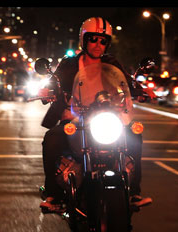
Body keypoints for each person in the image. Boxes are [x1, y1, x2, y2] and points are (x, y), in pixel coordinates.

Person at [38, 17, 156, 213]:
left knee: (134, 135)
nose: (98, 44)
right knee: (52, 139)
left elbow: (126, 83)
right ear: (84, 40)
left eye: (103, 41)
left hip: (107, 118)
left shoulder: (112, 63)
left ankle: (134, 192)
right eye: (93, 39)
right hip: (76, 118)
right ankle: (54, 195)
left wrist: (141, 91)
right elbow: (54, 82)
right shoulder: (69, 65)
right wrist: (47, 91)